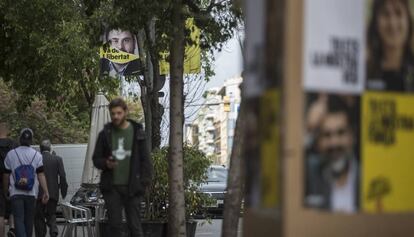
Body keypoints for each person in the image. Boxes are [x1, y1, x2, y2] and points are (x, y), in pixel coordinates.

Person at [93, 98, 152, 237]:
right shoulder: (105, 133)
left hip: (133, 187)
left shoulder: (137, 131)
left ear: (125, 112)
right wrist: (105, 163)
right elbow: (96, 159)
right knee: (114, 226)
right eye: (113, 113)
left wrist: (144, 183)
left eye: (119, 113)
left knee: (135, 226)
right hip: (112, 187)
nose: (115, 116)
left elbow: (146, 160)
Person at [305, 96, 359, 213]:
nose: (334, 143)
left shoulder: (366, 177)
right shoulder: (311, 175)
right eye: (327, 135)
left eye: (341, 133)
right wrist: (308, 130)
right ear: (318, 141)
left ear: (352, 136)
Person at [3, 128, 49, 237]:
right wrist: (46, 192)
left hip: (15, 193)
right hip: (31, 193)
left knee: (18, 219)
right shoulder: (37, 155)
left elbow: (6, 175)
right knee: (29, 221)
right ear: (31, 140)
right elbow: (41, 175)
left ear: (20, 139)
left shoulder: (11, 154)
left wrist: (5, 191)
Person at [366, 0, 414, 92]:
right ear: (375, 23)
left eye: (398, 13)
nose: (392, 23)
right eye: (386, 14)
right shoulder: (364, 73)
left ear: (408, 20)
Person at [34, 140, 68, 237]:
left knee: (39, 217)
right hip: (53, 193)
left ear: (40, 149)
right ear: (50, 148)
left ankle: (41, 234)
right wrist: (63, 191)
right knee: (52, 214)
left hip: (39, 193)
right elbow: (62, 176)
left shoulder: (36, 159)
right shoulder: (57, 159)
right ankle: (53, 230)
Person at [0, 123, 17, 237]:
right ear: (8, 131)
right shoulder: (14, 144)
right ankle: (12, 228)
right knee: (13, 208)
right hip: (12, 180)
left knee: (0, 214)